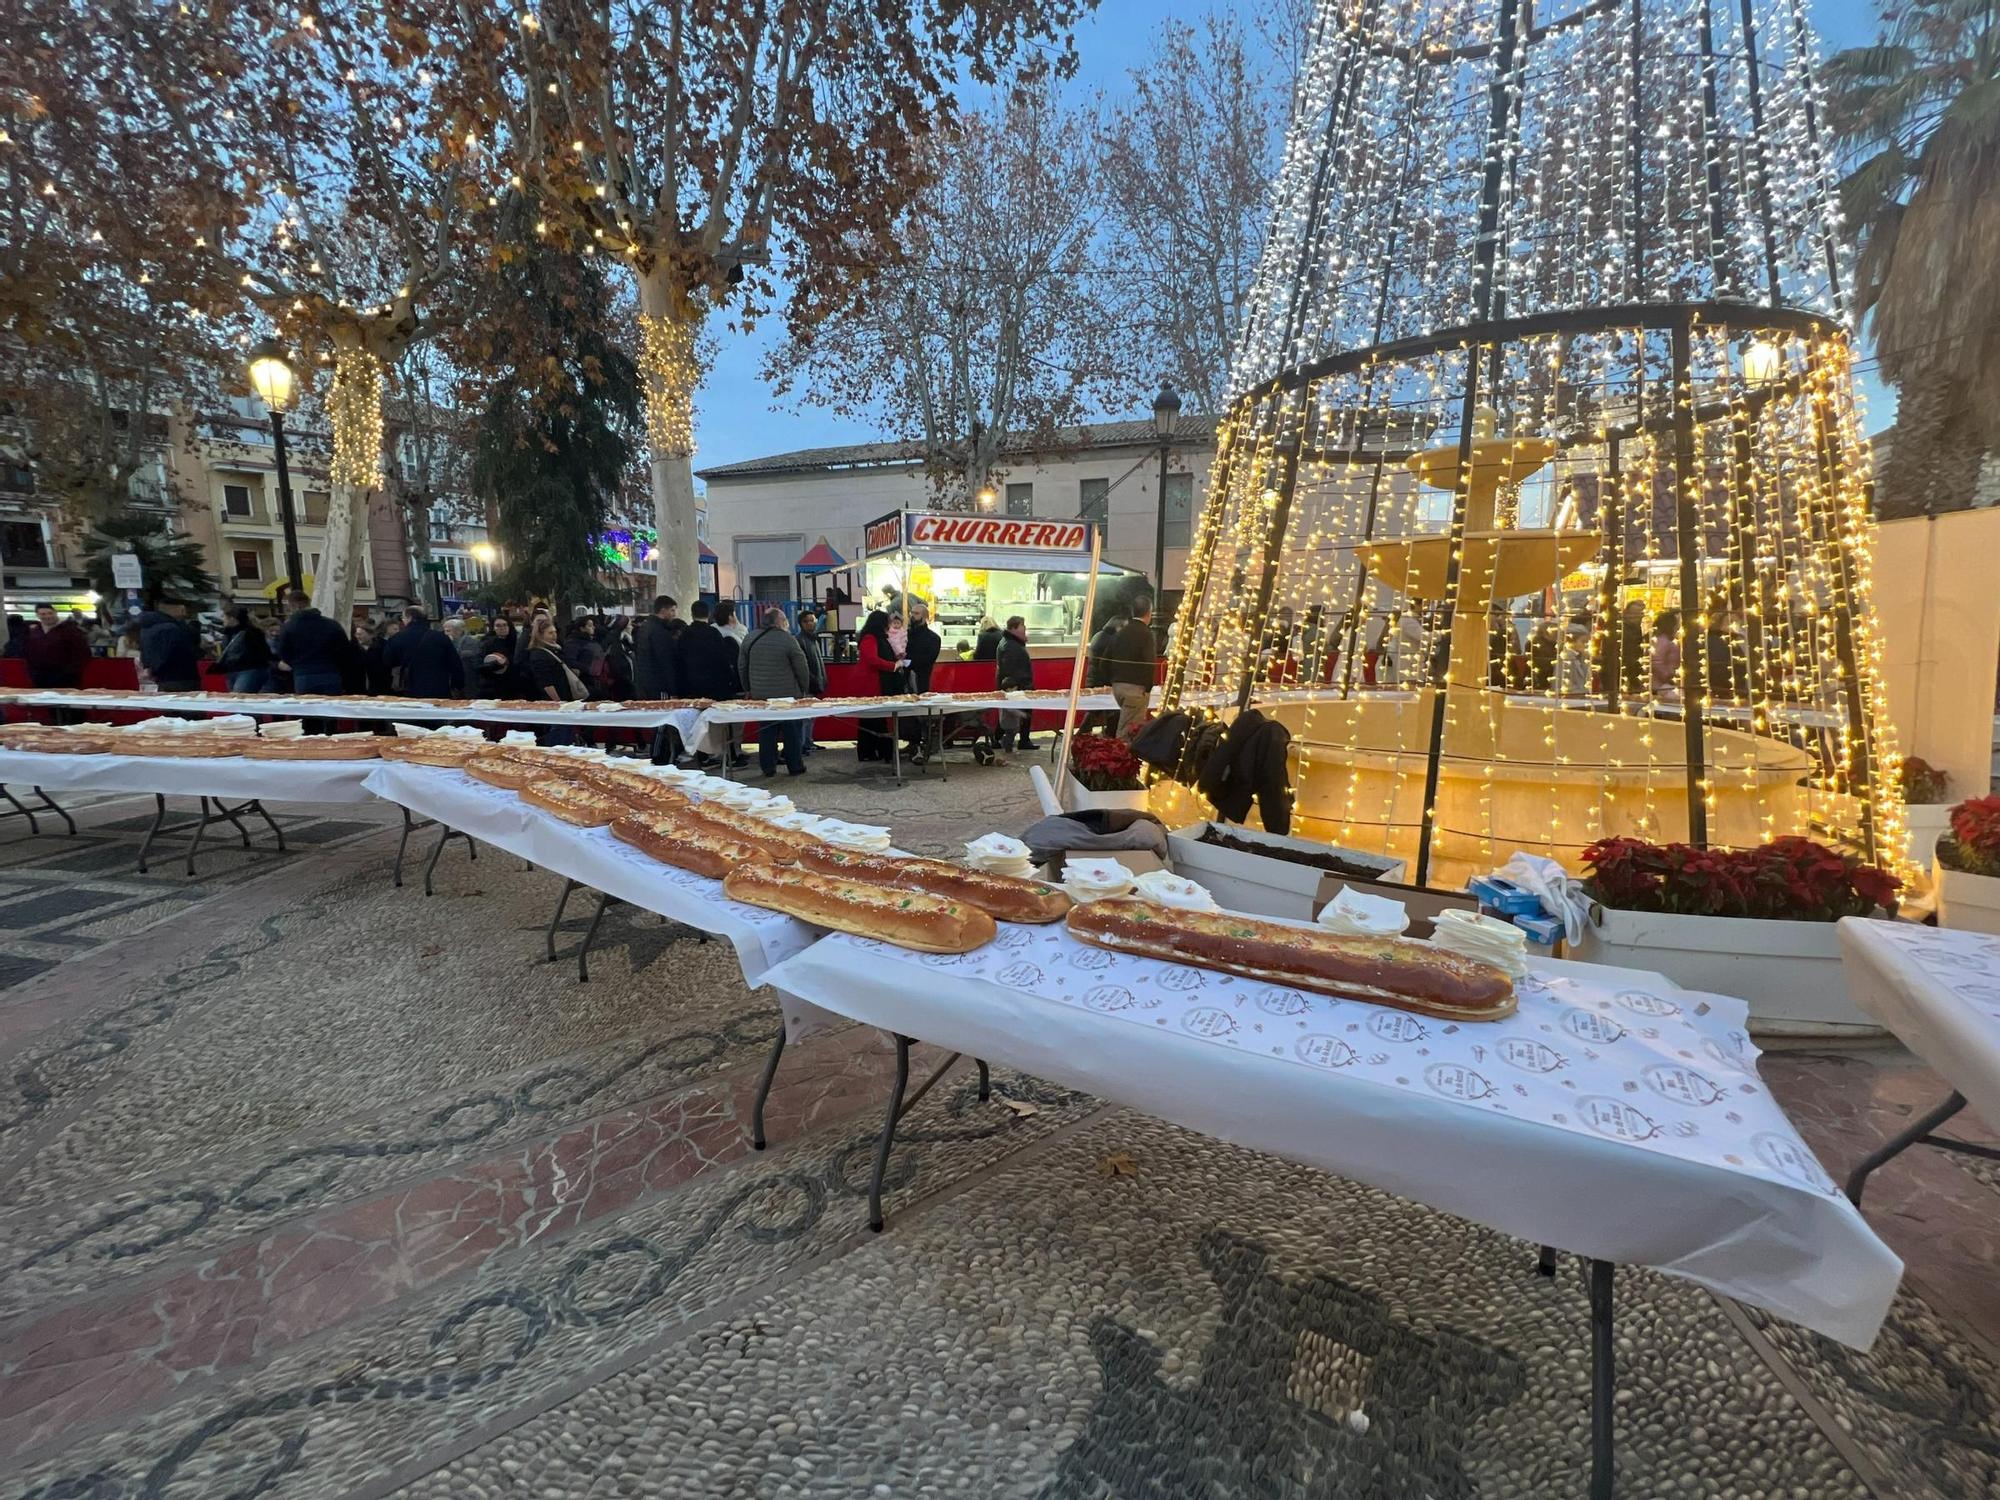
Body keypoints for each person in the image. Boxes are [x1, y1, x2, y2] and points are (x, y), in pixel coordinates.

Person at [741, 606, 810, 776]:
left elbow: (742, 666)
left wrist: (748, 688)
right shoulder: (787, 639)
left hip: (760, 695)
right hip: (787, 695)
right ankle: (795, 766)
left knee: (766, 731)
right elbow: (801, 667)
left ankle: (768, 768)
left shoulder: (749, 638)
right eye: (784, 619)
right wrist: (803, 689)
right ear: (779, 621)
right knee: (791, 732)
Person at [677, 601, 745, 767]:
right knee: (720, 723)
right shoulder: (713, 634)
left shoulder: (685, 634)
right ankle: (726, 754)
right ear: (707, 615)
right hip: (715, 686)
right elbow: (722, 661)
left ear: (692, 614)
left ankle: (701, 756)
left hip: (691, 686)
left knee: (697, 724)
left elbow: (678, 661)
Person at [1100, 588, 1157, 737]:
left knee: (1127, 724)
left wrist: (1113, 680)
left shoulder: (1121, 632)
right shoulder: (1145, 633)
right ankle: (1121, 758)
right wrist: (1148, 687)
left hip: (1118, 687)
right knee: (1129, 730)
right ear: (1149, 612)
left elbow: (1104, 660)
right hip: (1136, 688)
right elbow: (1149, 662)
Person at [523, 615, 587, 744]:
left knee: (565, 733)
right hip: (555, 701)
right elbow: (546, 683)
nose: (554, 635)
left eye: (555, 632)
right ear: (540, 635)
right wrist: (558, 702)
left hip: (564, 699)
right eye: (550, 633)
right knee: (559, 734)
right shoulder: (538, 654)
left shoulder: (554, 650)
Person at [854, 608, 906, 763]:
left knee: (873, 718)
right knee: (873, 718)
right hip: (872, 682)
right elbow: (872, 660)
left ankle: (873, 751)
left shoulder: (876, 637)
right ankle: (876, 751)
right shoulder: (870, 638)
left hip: (876, 681)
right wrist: (893, 665)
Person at [276, 589, 351, 695]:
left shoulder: (289, 627)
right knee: (331, 708)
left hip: (303, 674)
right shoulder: (332, 624)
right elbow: (345, 650)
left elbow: (284, 653)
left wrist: (295, 664)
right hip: (330, 673)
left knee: (307, 709)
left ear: (294, 606)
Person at [383, 606, 467, 699]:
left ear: (410, 618)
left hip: (410, 689)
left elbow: (388, 661)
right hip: (439, 687)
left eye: (403, 618)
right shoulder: (440, 637)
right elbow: (455, 663)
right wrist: (458, 685)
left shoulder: (397, 638)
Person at [902, 600, 943, 762]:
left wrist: (909, 662)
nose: (912, 616)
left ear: (925, 617)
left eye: (916, 613)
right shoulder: (906, 634)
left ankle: (922, 744)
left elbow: (928, 659)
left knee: (921, 712)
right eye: (911, 613)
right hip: (904, 678)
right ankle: (912, 742)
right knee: (907, 713)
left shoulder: (933, 638)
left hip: (920, 678)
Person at [137, 597, 201, 692]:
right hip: (181, 677)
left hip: (161, 678)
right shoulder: (173, 628)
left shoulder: (147, 627)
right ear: (180, 608)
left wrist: (152, 668)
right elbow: (190, 646)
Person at [25, 603, 89, 689]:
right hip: (40, 678)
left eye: (50, 613)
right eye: (43, 614)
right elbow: (29, 652)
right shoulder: (35, 632)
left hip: (66, 679)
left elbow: (83, 653)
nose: (47, 616)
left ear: (55, 613)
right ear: (37, 615)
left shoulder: (71, 630)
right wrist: (32, 672)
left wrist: (71, 672)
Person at [996, 615, 1035, 752]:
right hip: (1017, 685)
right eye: (1022, 626)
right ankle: (1020, 740)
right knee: (1014, 716)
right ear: (1014, 628)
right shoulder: (1010, 645)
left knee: (1011, 716)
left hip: (1017, 684)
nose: (1025, 628)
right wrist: (1014, 686)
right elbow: (1009, 668)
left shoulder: (1011, 642)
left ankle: (1002, 739)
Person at [633, 595, 680, 700]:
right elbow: (666, 661)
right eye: (672, 610)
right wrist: (673, 690)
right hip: (659, 686)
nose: (674, 614)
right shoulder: (660, 632)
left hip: (644, 684)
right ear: (663, 610)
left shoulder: (644, 628)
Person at [795, 609, 828, 757]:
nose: (811, 623)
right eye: (807, 621)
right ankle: (802, 744)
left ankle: (808, 741)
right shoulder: (800, 640)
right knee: (805, 717)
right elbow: (802, 665)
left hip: (815, 681)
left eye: (812, 620)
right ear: (801, 624)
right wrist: (812, 679)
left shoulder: (813, 639)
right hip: (807, 683)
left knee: (811, 716)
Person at [216, 605, 272, 692]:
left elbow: (262, 652)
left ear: (232, 618)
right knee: (235, 698)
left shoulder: (251, 633)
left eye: (224, 616)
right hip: (232, 670)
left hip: (249, 670)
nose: (223, 619)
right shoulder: (228, 633)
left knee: (240, 698)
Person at [563, 612, 604, 694]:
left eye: (593, 625)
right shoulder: (573, 642)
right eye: (590, 626)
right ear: (582, 628)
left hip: (597, 680)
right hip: (584, 682)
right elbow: (570, 661)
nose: (593, 628)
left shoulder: (591, 640)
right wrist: (589, 668)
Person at [1557, 617, 1594, 698]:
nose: (1586, 645)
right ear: (1571, 642)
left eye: (1587, 642)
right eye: (1583, 641)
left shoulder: (1583, 658)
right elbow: (1563, 687)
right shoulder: (1566, 659)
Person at [1649, 609, 1682, 699]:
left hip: (1663, 683)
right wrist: (1668, 675)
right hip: (1661, 685)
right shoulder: (1663, 641)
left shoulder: (1665, 640)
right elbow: (1655, 661)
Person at [601, 615, 635, 699]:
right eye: (629, 625)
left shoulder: (624, 642)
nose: (632, 627)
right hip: (621, 688)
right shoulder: (615, 644)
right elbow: (618, 667)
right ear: (623, 627)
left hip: (625, 685)